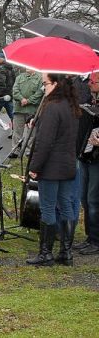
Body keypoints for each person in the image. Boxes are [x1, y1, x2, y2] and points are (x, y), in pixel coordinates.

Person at [27, 74, 80, 266]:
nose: (44, 88)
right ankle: (66, 253)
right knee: (66, 205)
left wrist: (35, 167)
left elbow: (45, 142)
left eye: (45, 84)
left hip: (51, 166)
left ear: (55, 84)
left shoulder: (53, 107)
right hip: (67, 164)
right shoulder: (71, 106)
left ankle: (45, 254)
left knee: (48, 207)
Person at [75, 72, 99, 255]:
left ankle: (96, 240)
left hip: (97, 159)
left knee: (93, 199)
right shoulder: (91, 102)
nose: (89, 84)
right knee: (84, 197)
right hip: (86, 156)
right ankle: (90, 237)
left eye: (93, 81)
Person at [10, 68, 43, 158]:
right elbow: (15, 91)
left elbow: (40, 93)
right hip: (19, 109)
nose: (27, 67)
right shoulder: (19, 77)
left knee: (31, 131)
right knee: (17, 131)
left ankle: (29, 151)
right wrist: (21, 99)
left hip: (32, 110)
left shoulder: (40, 78)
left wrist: (28, 101)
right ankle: (15, 150)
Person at [0, 51, 15, 127]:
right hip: (9, 95)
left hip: (1, 96)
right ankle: (15, 132)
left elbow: (0, 83)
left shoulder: (0, 69)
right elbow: (13, 81)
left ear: (1, 59)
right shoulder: (11, 68)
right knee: (12, 115)